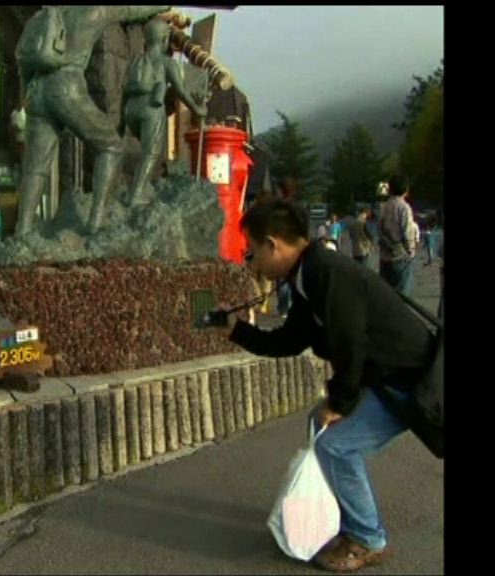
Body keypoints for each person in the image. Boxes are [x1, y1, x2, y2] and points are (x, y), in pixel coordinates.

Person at [211, 197, 438, 572]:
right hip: (383, 376)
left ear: (273, 244)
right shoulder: (307, 276)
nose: (251, 262)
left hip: (409, 382)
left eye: (251, 252)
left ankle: (368, 538)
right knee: (321, 426)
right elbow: (289, 340)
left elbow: (351, 344)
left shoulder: (329, 273)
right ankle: (343, 522)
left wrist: (341, 402)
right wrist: (236, 331)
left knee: (336, 444)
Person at [14, 6, 171, 235]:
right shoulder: (90, 12)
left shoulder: (39, 17)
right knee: (111, 146)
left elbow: (23, 63)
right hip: (67, 85)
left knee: (35, 168)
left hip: (36, 91)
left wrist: (26, 101)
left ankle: (23, 230)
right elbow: (128, 10)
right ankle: (96, 223)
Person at [120, 16, 208, 206]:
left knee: (142, 150)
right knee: (150, 152)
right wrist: (197, 108)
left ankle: (138, 188)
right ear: (164, 39)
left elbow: (124, 90)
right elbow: (181, 89)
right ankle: (137, 193)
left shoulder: (136, 61)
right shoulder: (167, 62)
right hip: (151, 107)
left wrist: (121, 121)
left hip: (131, 109)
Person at [377, 176, 419, 296]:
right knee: (401, 294)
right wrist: (410, 250)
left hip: (385, 255)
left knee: (386, 293)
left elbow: (379, 229)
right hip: (400, 256)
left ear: (390, 189)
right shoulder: (404, 207)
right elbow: (406, 231)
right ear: (406, 190)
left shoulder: (383, 206)